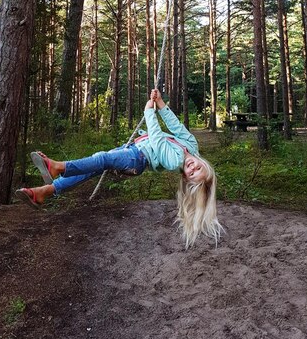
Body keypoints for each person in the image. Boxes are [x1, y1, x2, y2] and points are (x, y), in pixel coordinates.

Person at [16, 89, 223, 247]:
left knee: (101, 159)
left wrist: (148, 113)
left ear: (185, 177)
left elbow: (159, 139)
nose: (192, 168)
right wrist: (160, 104)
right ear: (203, 162)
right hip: (134, 149)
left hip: (137, 158)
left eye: (191, 174)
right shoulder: (192, 146)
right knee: (95, 167)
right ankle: (44, 192)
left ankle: (58, 167)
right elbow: (177, 127)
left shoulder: (174, 161)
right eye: (198, 168)